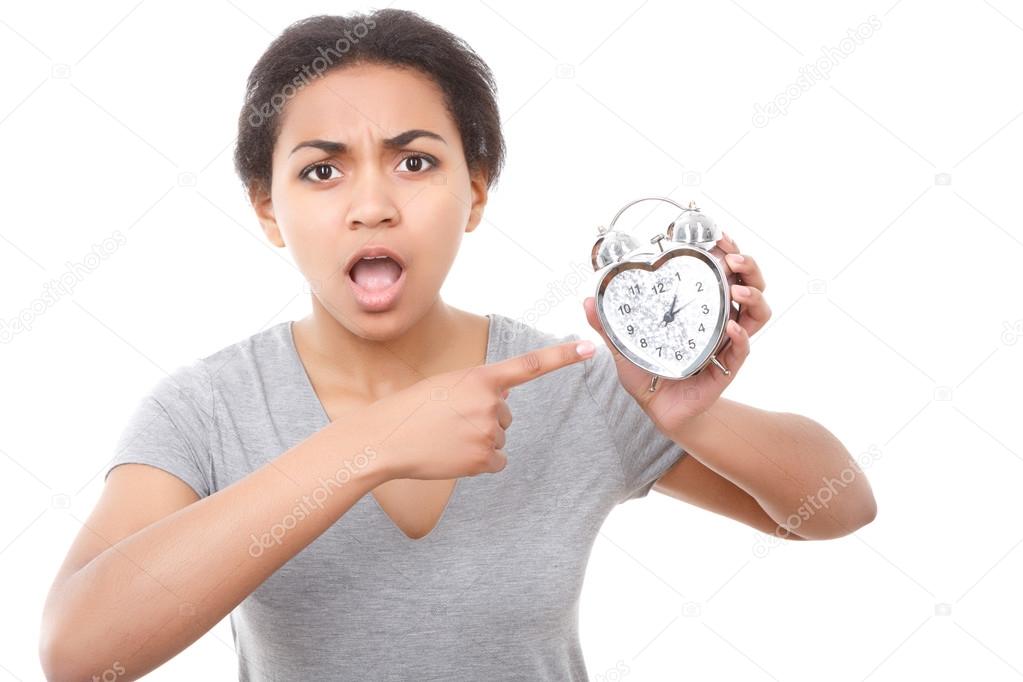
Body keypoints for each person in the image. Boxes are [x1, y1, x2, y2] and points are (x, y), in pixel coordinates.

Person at [39, 9, 877, 681]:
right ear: (267, 209)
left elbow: (836, 509)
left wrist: (688, 414)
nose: (371, 205)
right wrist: (372, 445)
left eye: (413, 162)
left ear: (473, 193)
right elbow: (79, 655)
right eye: (321, 171)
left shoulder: (572, 386)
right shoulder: (206, 410)